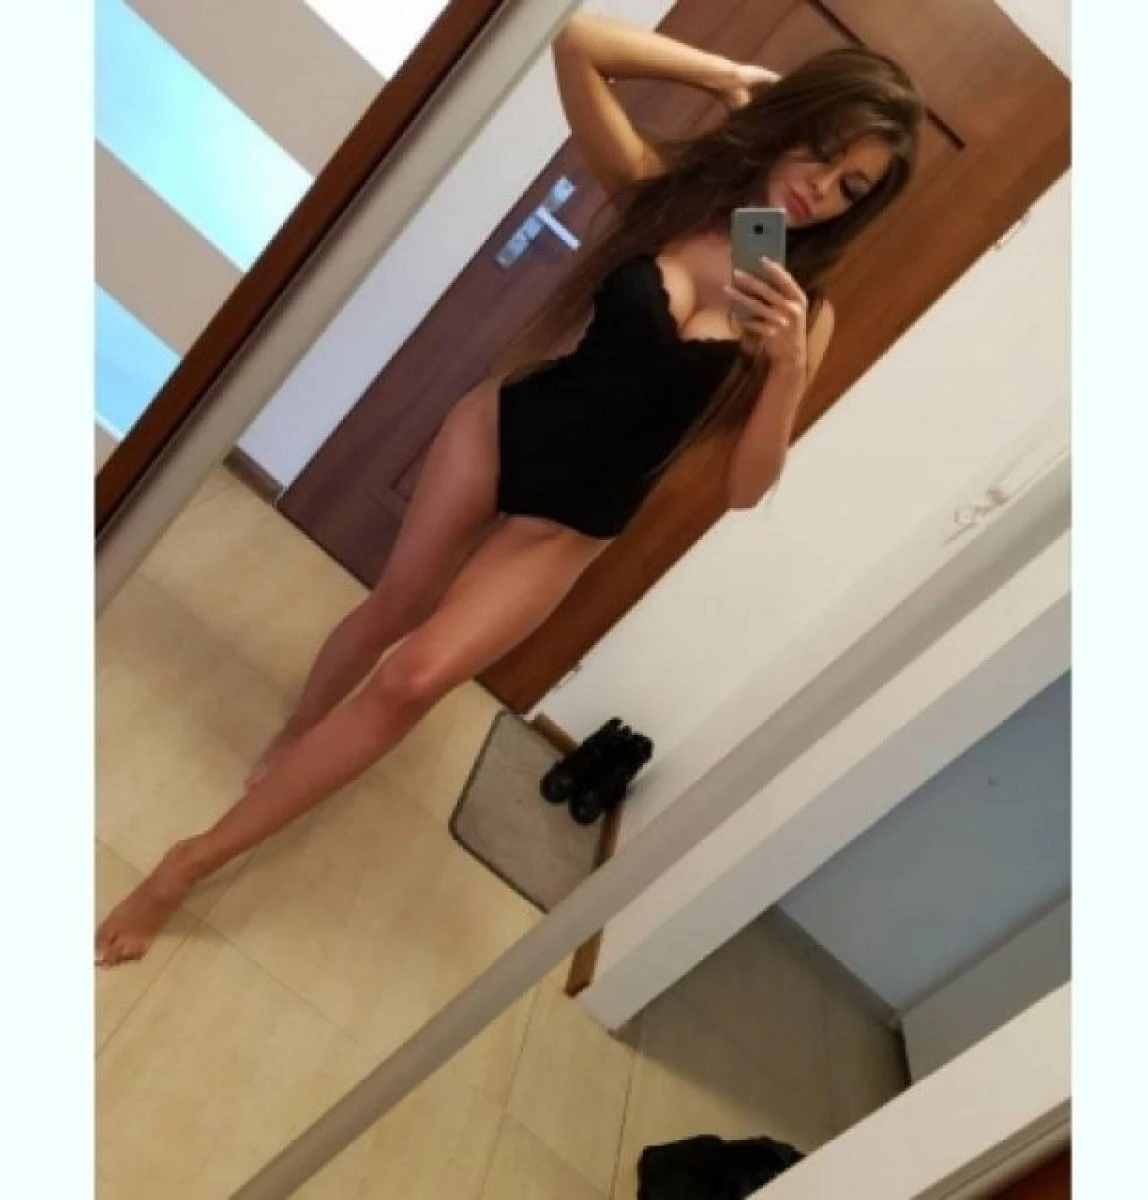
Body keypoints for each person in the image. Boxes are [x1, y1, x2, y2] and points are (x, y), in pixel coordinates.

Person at [96, 14, 924, 966]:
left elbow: (743, 491)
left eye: (851, 186)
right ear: (790, 123)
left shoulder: (804, 315)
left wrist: (785, 368)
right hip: (502, 432)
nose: (820, 188)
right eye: (821, 150)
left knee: (413, 678)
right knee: (396, 605)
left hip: (570, 523)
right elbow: (578, 45)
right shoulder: (664, 196)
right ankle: (299, 729)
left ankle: (185, 865)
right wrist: (728, 75)